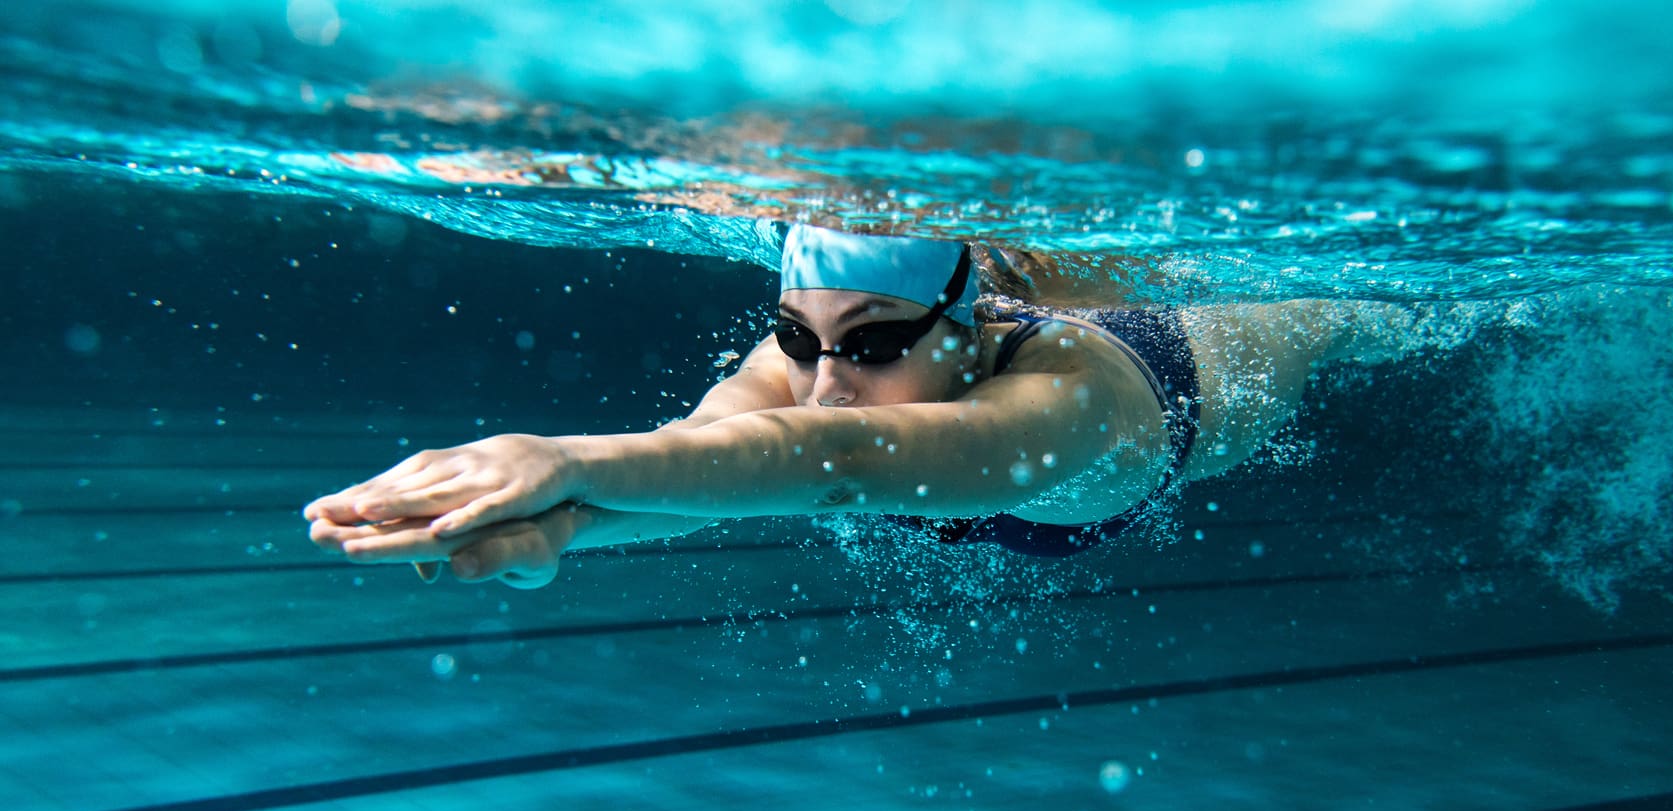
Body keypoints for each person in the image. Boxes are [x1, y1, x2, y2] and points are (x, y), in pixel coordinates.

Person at [304, 224, 1389, 587]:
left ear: (966, 335)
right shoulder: (815, 370)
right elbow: (702, 462)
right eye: (796, 337)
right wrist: (559, 532)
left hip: (1213, 359)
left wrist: (560, 458)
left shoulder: (1072, 404)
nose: (824, 381)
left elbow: (843, 461)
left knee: (1352, 312)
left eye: (870, 345)